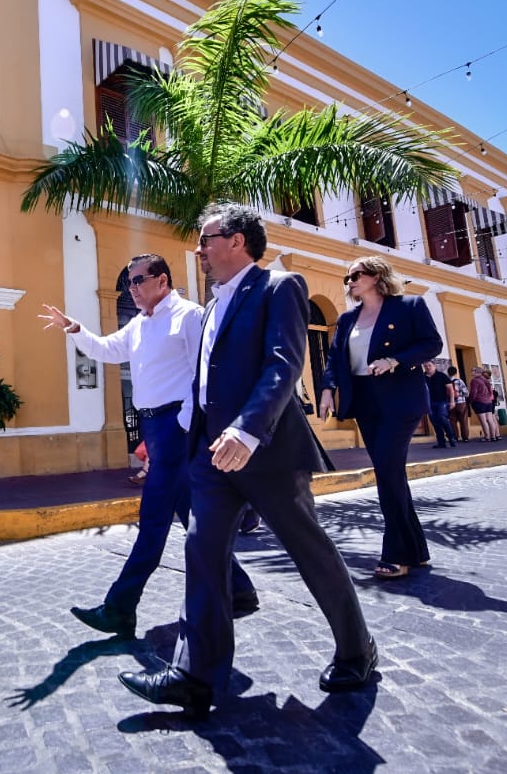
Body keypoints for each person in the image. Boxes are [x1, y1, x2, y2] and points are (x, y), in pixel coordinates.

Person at [118, 204, 375, 719]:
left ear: (237, 241)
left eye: (206, 238)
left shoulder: (280, 287)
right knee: (201, 552)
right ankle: (196, 676)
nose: (199, 248)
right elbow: (204, 384)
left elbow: (285, 363)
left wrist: (248, 428)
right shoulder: (210, 308)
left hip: (268, 452)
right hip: (213, 457)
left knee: (309, 550)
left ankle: (357, 649)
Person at [40, 254, 257, 638]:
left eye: (138, 280)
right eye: (128, 282)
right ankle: (240, 590)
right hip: (155, 426)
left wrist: (184, 422)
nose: (132, 288)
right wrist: (75, 329)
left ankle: (120, 606)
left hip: (177, 426)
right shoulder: (138, 324)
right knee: (191, 516)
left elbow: (202, 372)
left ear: (162, 280)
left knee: (153, 519)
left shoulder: (189, 315)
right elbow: (107, 350)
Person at [318, 255, 442, 579]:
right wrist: (328, 388)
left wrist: (394, 360)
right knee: (391, 474)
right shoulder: (347, 319)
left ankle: (397, 553)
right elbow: (335, 358)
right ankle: (417, 551)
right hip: (365, 402)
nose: (350, 282)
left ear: (376, 275)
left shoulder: (409, 306)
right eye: (347, 278)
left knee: (387, 473)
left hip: (400, 400)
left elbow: (432, 343)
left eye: (355, 275)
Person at [423, 360, 457, 449]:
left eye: (429, 365)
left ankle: (451, 438)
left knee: (442, 418)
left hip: (442, 402)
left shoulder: (441, 376)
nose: (427, 367)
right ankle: (441, 442)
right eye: (425, 366)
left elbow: (450, 389)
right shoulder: (422, 377)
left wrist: (452, 401)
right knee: (435, 422)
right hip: (429, 403)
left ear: (434, 366)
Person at [469, 366, 501, 441]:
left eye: (473, 370)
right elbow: (491, 391)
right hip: (488, 402)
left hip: (479, 401)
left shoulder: (475, 380)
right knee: (490, 419)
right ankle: (493, 436)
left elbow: (473, 392)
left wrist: (470, 400)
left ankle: (487, 436)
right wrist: (489, 398)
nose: (471, 372)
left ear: (477, 372)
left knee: (483, 420)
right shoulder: (486, 380)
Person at [447, 365, 470, 442]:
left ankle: (455, 437)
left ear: (448, 373)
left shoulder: (446, 381)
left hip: (450, 403)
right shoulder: (459, 381)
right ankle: (465, 437)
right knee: (463, 421)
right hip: (461, 403)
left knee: (452, 421)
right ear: (456, 373)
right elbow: (466, 393)